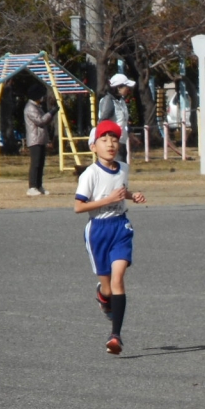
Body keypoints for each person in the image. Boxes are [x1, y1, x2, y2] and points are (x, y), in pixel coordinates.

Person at [74, 120, 146, 356]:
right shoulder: (90, 174)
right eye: (104, 140)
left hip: (120, 227)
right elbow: (78, 207)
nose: (110, 144)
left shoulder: (123, 168)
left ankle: (115, 335)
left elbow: (121, 191)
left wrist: (132, 196)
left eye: (114, 139)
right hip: (98, 230)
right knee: (107, 288)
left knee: (118, 279)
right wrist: (109, 200)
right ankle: (102, 296)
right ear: (93, 147)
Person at [24, 84, 55, 197]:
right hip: (34, 139)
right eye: (41, 95)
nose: (43, 97)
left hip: (40, 138)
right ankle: (32, 187)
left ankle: (39, 185)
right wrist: (51, 113)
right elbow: (40, 121)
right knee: (35, 163)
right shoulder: (30, 107)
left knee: (41, 163)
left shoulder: (37, 106)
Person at [98, 73, 136, 163]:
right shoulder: (108, 101)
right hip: (112, 143)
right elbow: (103, 122)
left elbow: (123, 120)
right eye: (126, 86)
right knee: (116, 167)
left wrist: (130, 133)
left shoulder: (121, 101)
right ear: (118, 87)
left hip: (121, 141)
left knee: (122, 166)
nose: (128, 89)